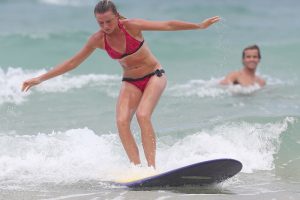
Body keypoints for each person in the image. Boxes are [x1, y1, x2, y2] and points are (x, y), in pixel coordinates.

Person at [21, 0, 220, 168]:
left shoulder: (131, 26)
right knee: (122, 121)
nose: (106, 26)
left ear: (116, 16)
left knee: (143, 115)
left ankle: (152, 168)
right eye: (101, 23)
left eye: (108, 21)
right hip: (130, 81)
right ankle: (137, 169)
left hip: (154, 75)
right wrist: (40, 78)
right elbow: (73, 62)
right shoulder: (98, 39)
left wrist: (199, 26)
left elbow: (167, 25)